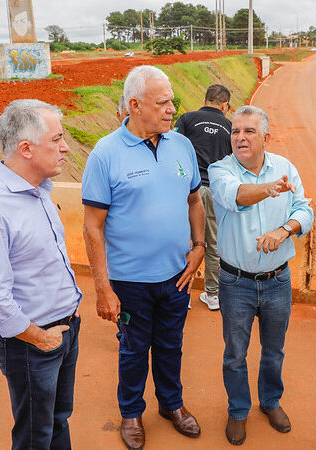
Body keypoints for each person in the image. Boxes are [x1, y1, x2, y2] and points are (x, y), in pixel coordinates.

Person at [81, 65, 206, 450]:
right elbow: (92, 226)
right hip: (129, 281)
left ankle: (172, 405)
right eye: (163, 102)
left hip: (175, 276)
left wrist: (199, 247)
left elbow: (194, 200)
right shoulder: (106, 154)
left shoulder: (181, 144)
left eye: (172, 101)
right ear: (134, 105)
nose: (172, 109)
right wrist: (103, 287)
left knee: (172, 344)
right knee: (134, 348)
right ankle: (131, 412)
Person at [0, 99, 83, 450]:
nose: (65, 147)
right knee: (34, 435)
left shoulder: (40, 191)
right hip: (33, 343)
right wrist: (39, 338)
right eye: (57, 139)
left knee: (58, 421)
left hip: (65, 329)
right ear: (26, 148)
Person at [208, 105, 314, 446]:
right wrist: (269, 189)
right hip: (234, 282)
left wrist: (284, 230)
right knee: (235, 353)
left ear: (265, 137)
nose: (240, 137)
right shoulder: (220, 169)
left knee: (274, 350)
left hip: (278, 281)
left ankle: (270, 402)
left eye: (249, 131)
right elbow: (234, 196)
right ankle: (238, 410)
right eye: (236, 131)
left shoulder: (286, 168)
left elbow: (304, 210)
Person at [174, 84, 233, 311]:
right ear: (225, 105)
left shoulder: (187, 119)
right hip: (215, 191)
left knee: (184, 241)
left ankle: (183, 293)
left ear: (205, 99)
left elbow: (173, 145)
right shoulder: (229, 126)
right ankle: (213, 294)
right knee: (211, 243)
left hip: (187, 189)